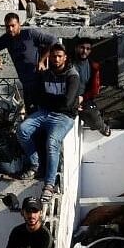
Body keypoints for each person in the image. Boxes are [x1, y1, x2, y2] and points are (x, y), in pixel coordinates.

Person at [15, 43, 80, 203]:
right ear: (49, 57)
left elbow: (67, 102)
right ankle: (35, 164)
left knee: (52, 142)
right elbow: (38, 96)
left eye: (59, 56)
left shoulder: (72, 75)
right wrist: (49, 101)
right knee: (22, 129)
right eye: (53, 56)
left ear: (65, 58)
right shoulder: (45, 74)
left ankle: (49, 185)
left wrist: (49, 101)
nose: (56, 59)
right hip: (44, 112)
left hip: (64, 116)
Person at [0, 13, 56, 110]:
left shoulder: (30, 34)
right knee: (31, 113)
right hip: (26, 84)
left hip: (40, 81)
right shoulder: (6, 39)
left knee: (44, 112)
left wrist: (41, 61)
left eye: (13, 26)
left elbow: (53, 41)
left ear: (19, 24)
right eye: (7, 26)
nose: (10, 29)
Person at [72, 40, 110, 136]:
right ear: (76, 48)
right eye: (82, 47)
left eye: (88, 49)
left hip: (84, 99)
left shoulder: (93, 66)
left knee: (95, 119)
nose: (84, 51)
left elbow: (94, 90)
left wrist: (83, 98)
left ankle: (102, 126)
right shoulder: (69, 64)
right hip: (69, 98)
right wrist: (73, 100)